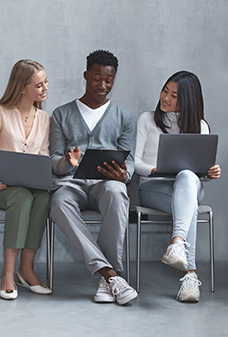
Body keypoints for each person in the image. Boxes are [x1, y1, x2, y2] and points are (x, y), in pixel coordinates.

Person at [48, 50, 138, 305]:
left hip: (105, 183)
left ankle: (105, 281)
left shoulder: (124, 118)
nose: (102, 85)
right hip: (71, 183)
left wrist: (125, 174)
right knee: (58, 203)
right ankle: (110, 275)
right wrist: (67, 162)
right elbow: (53, 160)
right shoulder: (61, 114)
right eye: (97, 78)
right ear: (86, 75)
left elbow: (129, 160)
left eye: (109, 80)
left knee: (117, 193)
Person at [135, 71, 221, 302]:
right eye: (165, 91)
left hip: (188, 186)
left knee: (186, 175)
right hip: (154, 187)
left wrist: (210, 172)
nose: (166, 98)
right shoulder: (147, 119)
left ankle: (177, 244)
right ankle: (190, 275)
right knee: (189, 205)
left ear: (188, 101)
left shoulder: (200, 126)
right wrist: (154, 169)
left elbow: (199, 173)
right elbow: (134, 162)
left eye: (174, 95)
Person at [0, 60, 52, 300]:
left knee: (42, 197)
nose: (45, 88)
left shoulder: (44, 118)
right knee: (21, 197)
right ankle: (7, 273)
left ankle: (26, 269)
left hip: (28, 187)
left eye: (45, 82)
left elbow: (43, 156)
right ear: (22, 87)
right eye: (38, 85)